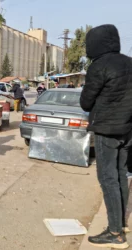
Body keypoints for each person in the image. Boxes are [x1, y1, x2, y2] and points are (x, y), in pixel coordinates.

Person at [80, 24, 132, 249]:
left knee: (107, 178)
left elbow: (85, 102)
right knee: (121, 175)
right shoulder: (130, 63)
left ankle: (115, 233)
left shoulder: (98, 66)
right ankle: (119, 222)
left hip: (106, 131)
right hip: (128, 129)